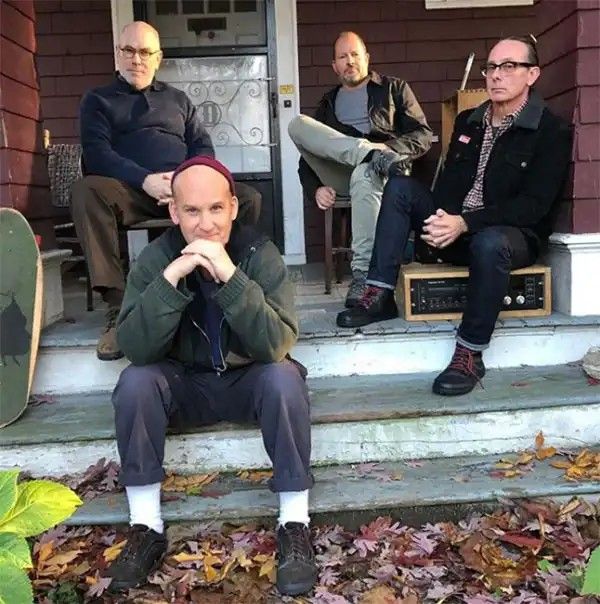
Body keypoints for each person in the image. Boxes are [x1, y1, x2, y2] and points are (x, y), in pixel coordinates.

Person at [105, 155, 317, 597]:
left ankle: (294, 522)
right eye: (192, 211)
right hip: (184, 387)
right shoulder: (154, 258)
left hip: (246, 383)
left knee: (283, 376)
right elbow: (137, 349)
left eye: (216, 209)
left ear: (234, 208)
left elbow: (276, 343)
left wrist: (230, 276)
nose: (205, 224)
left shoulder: (260, 253)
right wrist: (170, 279)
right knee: (135, 382)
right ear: (173, 212)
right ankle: (146, 525)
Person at [337, 35, 572, 396]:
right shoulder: (468, 121)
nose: (496, 75)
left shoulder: (549, 130)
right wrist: (439, 222)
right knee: (400, 188)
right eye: (491, 67)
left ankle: (469, 353)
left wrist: (464, 223)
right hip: (458, 228)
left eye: (509, 66)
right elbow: (447, 187)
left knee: (491, 244)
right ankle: (379, 294)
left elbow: (534, 207)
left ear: (532, 74)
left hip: (509, 237)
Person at [70, 21, 261, 361]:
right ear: (118, 54)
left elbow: (203, 149)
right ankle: (118, 309)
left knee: (245, 198)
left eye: (145, 52)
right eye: (129, 50)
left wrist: (184, 182)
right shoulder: (98, 100)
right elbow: (97, 154)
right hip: (127, 192)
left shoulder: (178, 100)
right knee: (87, 191)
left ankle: (223, 283)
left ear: (158, 58)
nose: (136, 59)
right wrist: (144, 179)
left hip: (183, 193)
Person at [288, 31, 432, 307]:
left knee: (364, 174)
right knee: (296, 125)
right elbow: (309, 156)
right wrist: (315, 188)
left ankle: (363, 275)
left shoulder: (394, 88)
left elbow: (423, 134)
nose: (349, 61)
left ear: (366, 58)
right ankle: (370, 153)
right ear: (334, 66)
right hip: (345, 169)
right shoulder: (327, 104)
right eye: (342, 57)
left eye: (354, 54)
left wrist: (391, 150)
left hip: (387, 171)